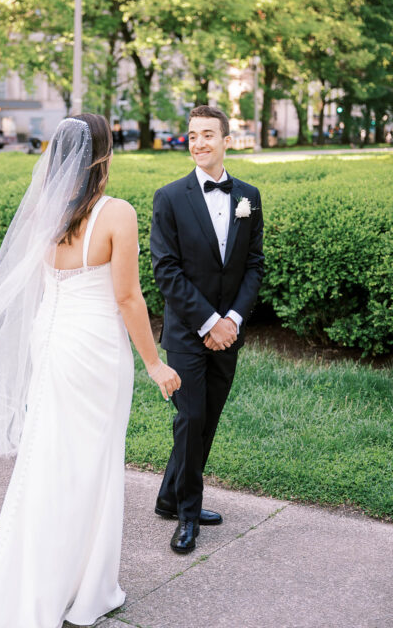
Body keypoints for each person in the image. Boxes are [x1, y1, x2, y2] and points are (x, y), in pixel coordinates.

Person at [0, 113, 181, 628]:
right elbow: (129, 297)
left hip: (53, 339)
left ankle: (50, 576)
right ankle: (88, 588)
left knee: (50, 458)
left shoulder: (45, 210)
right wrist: (154, 363)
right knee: (93, 461)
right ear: (103, 157)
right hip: (94, 347)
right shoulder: (118, 214)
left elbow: (44, 286)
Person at [150, 104, 264, 554]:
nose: (198, 143)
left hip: (228, 333)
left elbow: (253, 265)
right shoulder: (170, 197)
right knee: (190, 418)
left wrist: (232, 320)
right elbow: (166, 271)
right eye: (193, 135)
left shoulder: (248, 196)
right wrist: (208, 322)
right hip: (186, 332)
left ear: (226, 141)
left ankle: (168, 497)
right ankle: (188, 514)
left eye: (208, 135)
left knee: (207, 420)